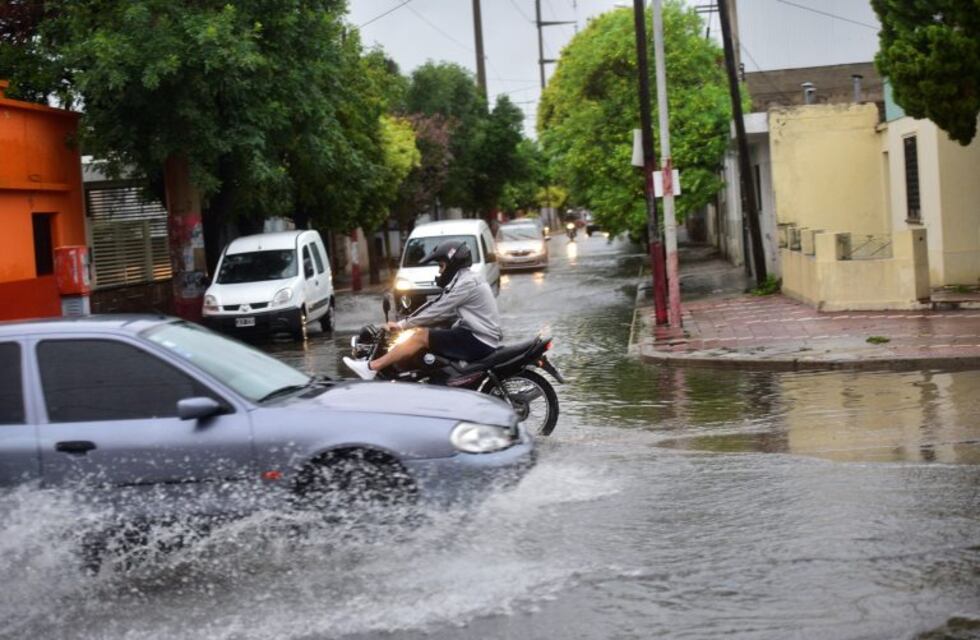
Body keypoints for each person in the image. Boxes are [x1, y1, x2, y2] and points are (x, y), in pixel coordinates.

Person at [343, 239, 502, 380]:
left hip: (479, 340)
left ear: (452, 263)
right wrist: (409, 322)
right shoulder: (466, 279)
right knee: (425, 333)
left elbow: (438, 308)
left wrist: (401, 325)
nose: (440, 271)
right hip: (476, 335)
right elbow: (440, 306)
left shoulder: (466, 283)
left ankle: (371, 367)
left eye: (441, 266)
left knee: (418, 338)